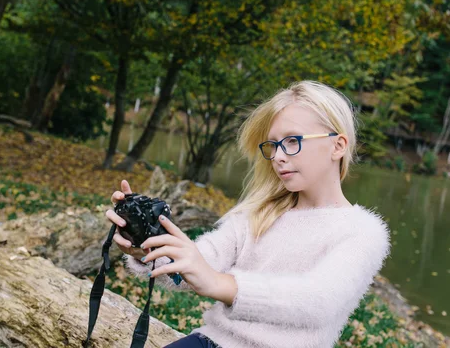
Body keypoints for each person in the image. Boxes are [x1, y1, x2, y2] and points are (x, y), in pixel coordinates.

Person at [105, 80, 391, 348]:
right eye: (274, 145)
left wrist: (221, 284)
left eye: (292, 141)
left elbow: (319, 301)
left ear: (337, 146)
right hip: (209, 342)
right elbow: (196, 265)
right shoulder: (259, 213)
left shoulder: (362, 231)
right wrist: (145, 244)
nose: (278, 156)